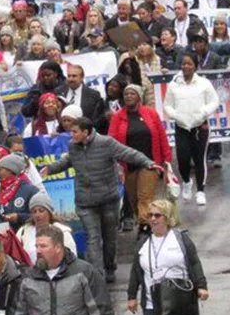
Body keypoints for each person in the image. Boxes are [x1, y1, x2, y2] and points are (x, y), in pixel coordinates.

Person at [42, 117, 163, 283]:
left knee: (109, 237)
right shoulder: (73, 146)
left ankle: (110, 267)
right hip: (85, 201)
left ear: (86, 132)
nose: (72, 135)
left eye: (75, 131)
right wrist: (50, 168)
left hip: (108, 199)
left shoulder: (106, 143)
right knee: (92, 237)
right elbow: (68, 161)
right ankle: (97, 276)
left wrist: (148, 163)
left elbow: (128, 153)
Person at [8, 225, 114, 315]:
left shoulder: (84, 272)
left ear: (58, 247)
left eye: (43, 246)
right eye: (36, 246)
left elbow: (102, 314)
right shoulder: (27, 279)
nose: (38, 251)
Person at [127, 199, 209, 315]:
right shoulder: (143, 243)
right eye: (150, 215)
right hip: (152, 302)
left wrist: (201, 286)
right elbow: (136, 270)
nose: (152, 219)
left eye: (157, 215)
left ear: (167, 217)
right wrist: (131, 296)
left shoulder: (180, 239)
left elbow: (194, 263)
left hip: (178, 299)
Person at [108, 84, 171, 230]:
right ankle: (145, 223)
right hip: (128, 166)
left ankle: (145, 230)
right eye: (126, 94)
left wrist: (166, 159)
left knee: (145, 197)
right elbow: (111, 141)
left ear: (139, 97)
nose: (129, 96)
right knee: (134, 199)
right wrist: (116, 164)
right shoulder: (118, 117)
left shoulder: (151, 113)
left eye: (132, 94)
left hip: (149, 163)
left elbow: (161, 136)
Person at [163, 52, 220, 206]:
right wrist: (175, 115)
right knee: (182, 158)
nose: (185, 67)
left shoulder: (204, 83)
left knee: (200, 159)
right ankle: (187, 181)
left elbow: (214, 101)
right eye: (183, 64)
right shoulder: (174, 84)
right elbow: (167, 105)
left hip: (200, 127)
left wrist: (203, 113)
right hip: (181, 126)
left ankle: (201, 190)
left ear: (195, 66)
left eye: (189, 64)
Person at [14, 191, 76, 264]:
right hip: (30, 274)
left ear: (49, 212)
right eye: (34, 211)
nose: (38, 214)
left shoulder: (63, 232)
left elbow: (72, 259)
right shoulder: (23, 232)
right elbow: (16, 258)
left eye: (41, 211)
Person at [0, 154, 38, 235]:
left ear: (10, 170)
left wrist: (19, 217)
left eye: (0, 170)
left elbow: (40, 217)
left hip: (22, 240)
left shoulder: (30, 190)